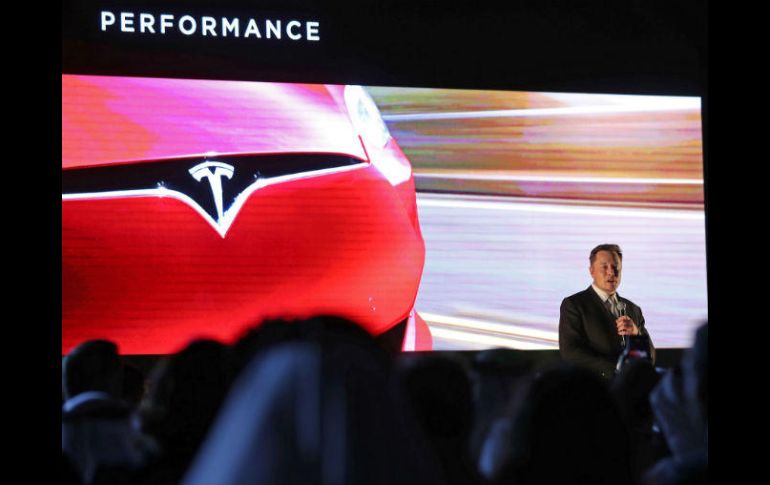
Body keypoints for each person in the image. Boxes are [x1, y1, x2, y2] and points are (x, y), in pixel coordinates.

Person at [559, 244, 655, 379]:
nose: (611, 272)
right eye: (604, 267)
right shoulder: (574, 304)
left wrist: (636, 334)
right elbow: (571, 352)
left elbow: (650, 357)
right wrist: (617, 368)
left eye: (616, 267)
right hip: (594, 384)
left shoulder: (633, 309)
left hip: (630, 387)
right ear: (592, 271)